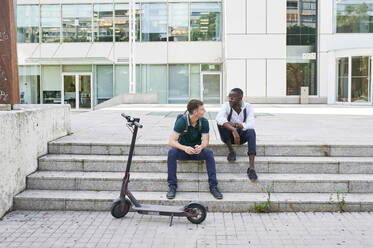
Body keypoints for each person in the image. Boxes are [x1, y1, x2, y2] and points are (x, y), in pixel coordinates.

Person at [167, 99, 223, 200]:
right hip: (183, 151)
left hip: (197, 151)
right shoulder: (182, 121)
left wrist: (201, 147)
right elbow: (171, 141)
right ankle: (172, 186)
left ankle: (213, 186)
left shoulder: (204, 122)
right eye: (202, 109)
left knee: (209, 153)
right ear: (195, 112)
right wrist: (185, 148)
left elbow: (206, 142)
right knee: (172, 152)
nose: (204, 111)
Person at [216, 88, 258, 181]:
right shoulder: (226, 105)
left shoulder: (248, 107)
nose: (229, 99)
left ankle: (251, 168)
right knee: (221, 125)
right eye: (229, 97)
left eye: (232, 98)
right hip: (228, 136)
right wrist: (234, 130)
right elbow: (219, 118)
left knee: (251, 132)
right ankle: (231, 151)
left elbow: (251, 124)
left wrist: (236, 125)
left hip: (242, 137)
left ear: (240, 98)